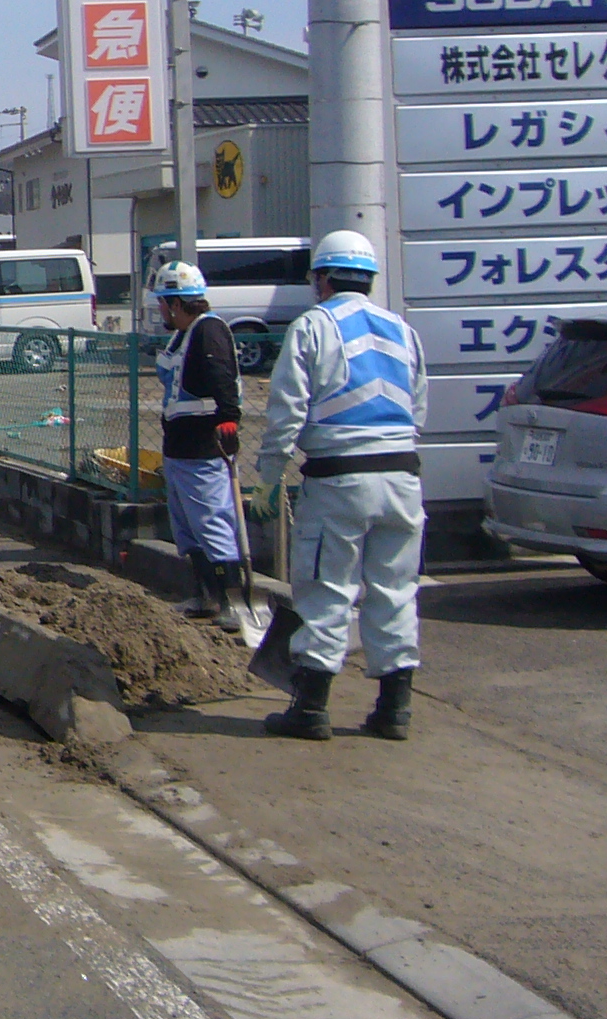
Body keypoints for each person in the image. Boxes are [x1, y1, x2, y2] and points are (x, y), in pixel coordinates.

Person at [250, 228, 428, 741]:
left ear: (321, 279)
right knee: (395, 591)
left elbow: (287, 409)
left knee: (327, 590)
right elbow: (417, 407)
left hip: (338, 478)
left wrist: (268, 477)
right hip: (402, 476)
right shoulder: (402, 330)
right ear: (369, 278)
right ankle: (394, 710)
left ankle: (310, 708)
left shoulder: (313, 326)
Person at [152, 261, 250, 632]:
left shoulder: (209, 331)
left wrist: (229, 418)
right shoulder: (183, 334)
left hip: (204, 449)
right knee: (188, 530)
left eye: (163, 303)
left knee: (212, 524)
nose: (160, 310)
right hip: (179, 448)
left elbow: (222, 376)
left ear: (176, 303)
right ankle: (206, 596)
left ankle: (232, 602)